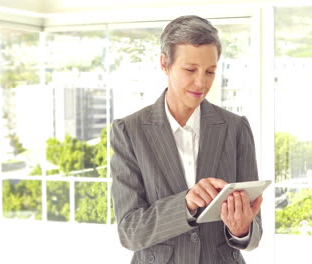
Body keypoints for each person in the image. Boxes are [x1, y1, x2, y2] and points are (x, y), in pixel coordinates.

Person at [110, 15, 263, 264]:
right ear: (164, 64)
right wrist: (186, 203)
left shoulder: (236, 128)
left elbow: (254, 234)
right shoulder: (129, 131)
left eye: (210, 71)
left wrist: (241, 229)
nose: (201, 82)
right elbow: (129, 232)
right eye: (190, 69)